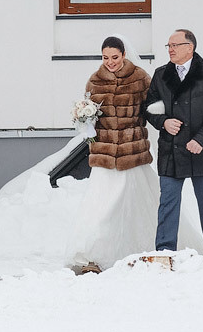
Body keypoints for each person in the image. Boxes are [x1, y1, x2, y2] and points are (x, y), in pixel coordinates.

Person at [67, 37, 157, 270]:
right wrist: (84, 119)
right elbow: (89, 116)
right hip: (104, 156)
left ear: (124, 54)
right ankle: (93, 256)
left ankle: (140, 253)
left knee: (134, 206)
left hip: (131, 155)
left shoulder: (140, 78)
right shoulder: (95, 81)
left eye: (115, 57)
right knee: (100, 206)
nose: (110, 62)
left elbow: (152, 111)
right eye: (105, 58)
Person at [145, 28, 203, 265]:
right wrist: (164, 122)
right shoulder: (161, 75)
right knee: (168, 203)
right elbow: (150, 107)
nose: (170, 49)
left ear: (189, 48)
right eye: (168, 46)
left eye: (174, 45)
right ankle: (164, 254)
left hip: (202, 148)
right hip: (172, 149)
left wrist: (200, 139)